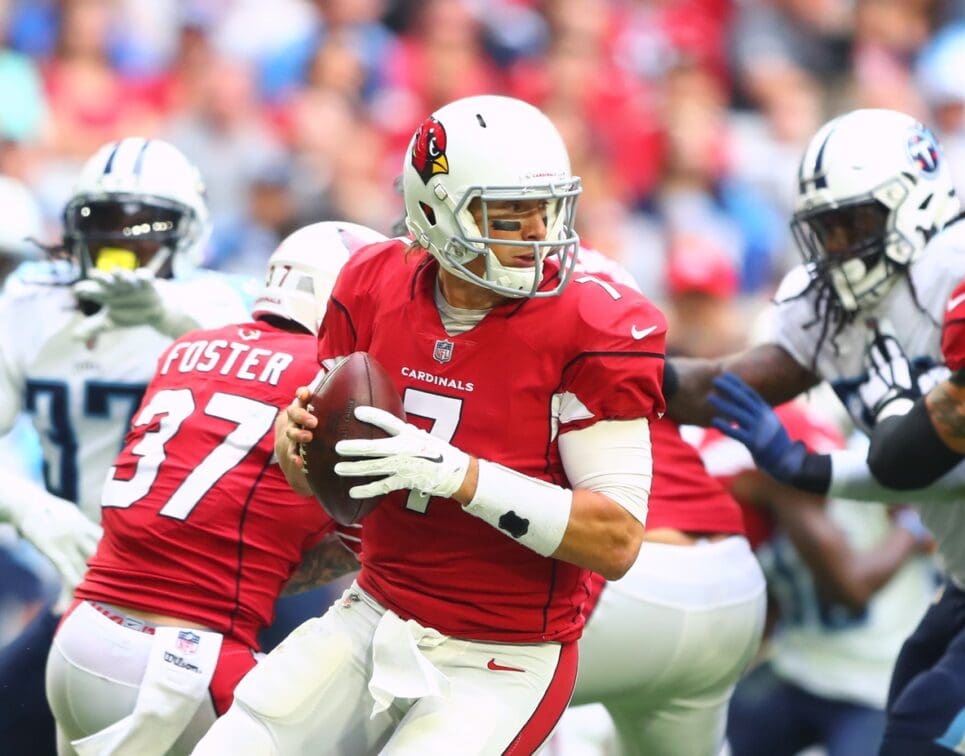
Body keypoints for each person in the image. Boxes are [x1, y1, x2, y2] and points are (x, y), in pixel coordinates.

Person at [195, 94, 667, 755]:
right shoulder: (372, 281)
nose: (538, 233)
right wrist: (294, 440)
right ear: (435, 213)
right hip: (377, 610)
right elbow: (314, 482)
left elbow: (615, 540)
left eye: (546, 208)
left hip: (499, 655)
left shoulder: (593, 322)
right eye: (509, 215)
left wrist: (458, 476)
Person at [665, 107, 965, 754]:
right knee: (908, 726)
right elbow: (719, 386)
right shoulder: (832, 305)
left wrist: (809, 468)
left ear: (911, 205)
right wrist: (603, 367)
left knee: (928, 737)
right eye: (824, 229)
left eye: (853, 224)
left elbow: (955, 467)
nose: (837, 248)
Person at [44, 221, 379, 756]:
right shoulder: (322, 380)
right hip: (181, 661)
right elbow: (375, 545)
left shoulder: (188, 348)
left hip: (79, 637)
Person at [0, 137, 251, 755]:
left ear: (187, 236)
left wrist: (166, 315)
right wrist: (31, 507)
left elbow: (257, 357)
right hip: (79, 577)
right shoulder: (34, 303)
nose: (119, 244)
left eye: (142, 228)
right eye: (104, 222)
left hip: (207, 591)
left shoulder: (219, 306)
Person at [540, 248, 766, 756]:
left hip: (628, 585)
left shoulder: (520, 335)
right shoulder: (628, 345)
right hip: (732, 584)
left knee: (445, 675)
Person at [695, 398, 935, 756]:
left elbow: (851, 588)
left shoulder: (795, 493)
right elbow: (771, 603)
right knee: (702, 737)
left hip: (875, 682)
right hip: (801, 669)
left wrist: (913, 526)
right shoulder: (753, 512)